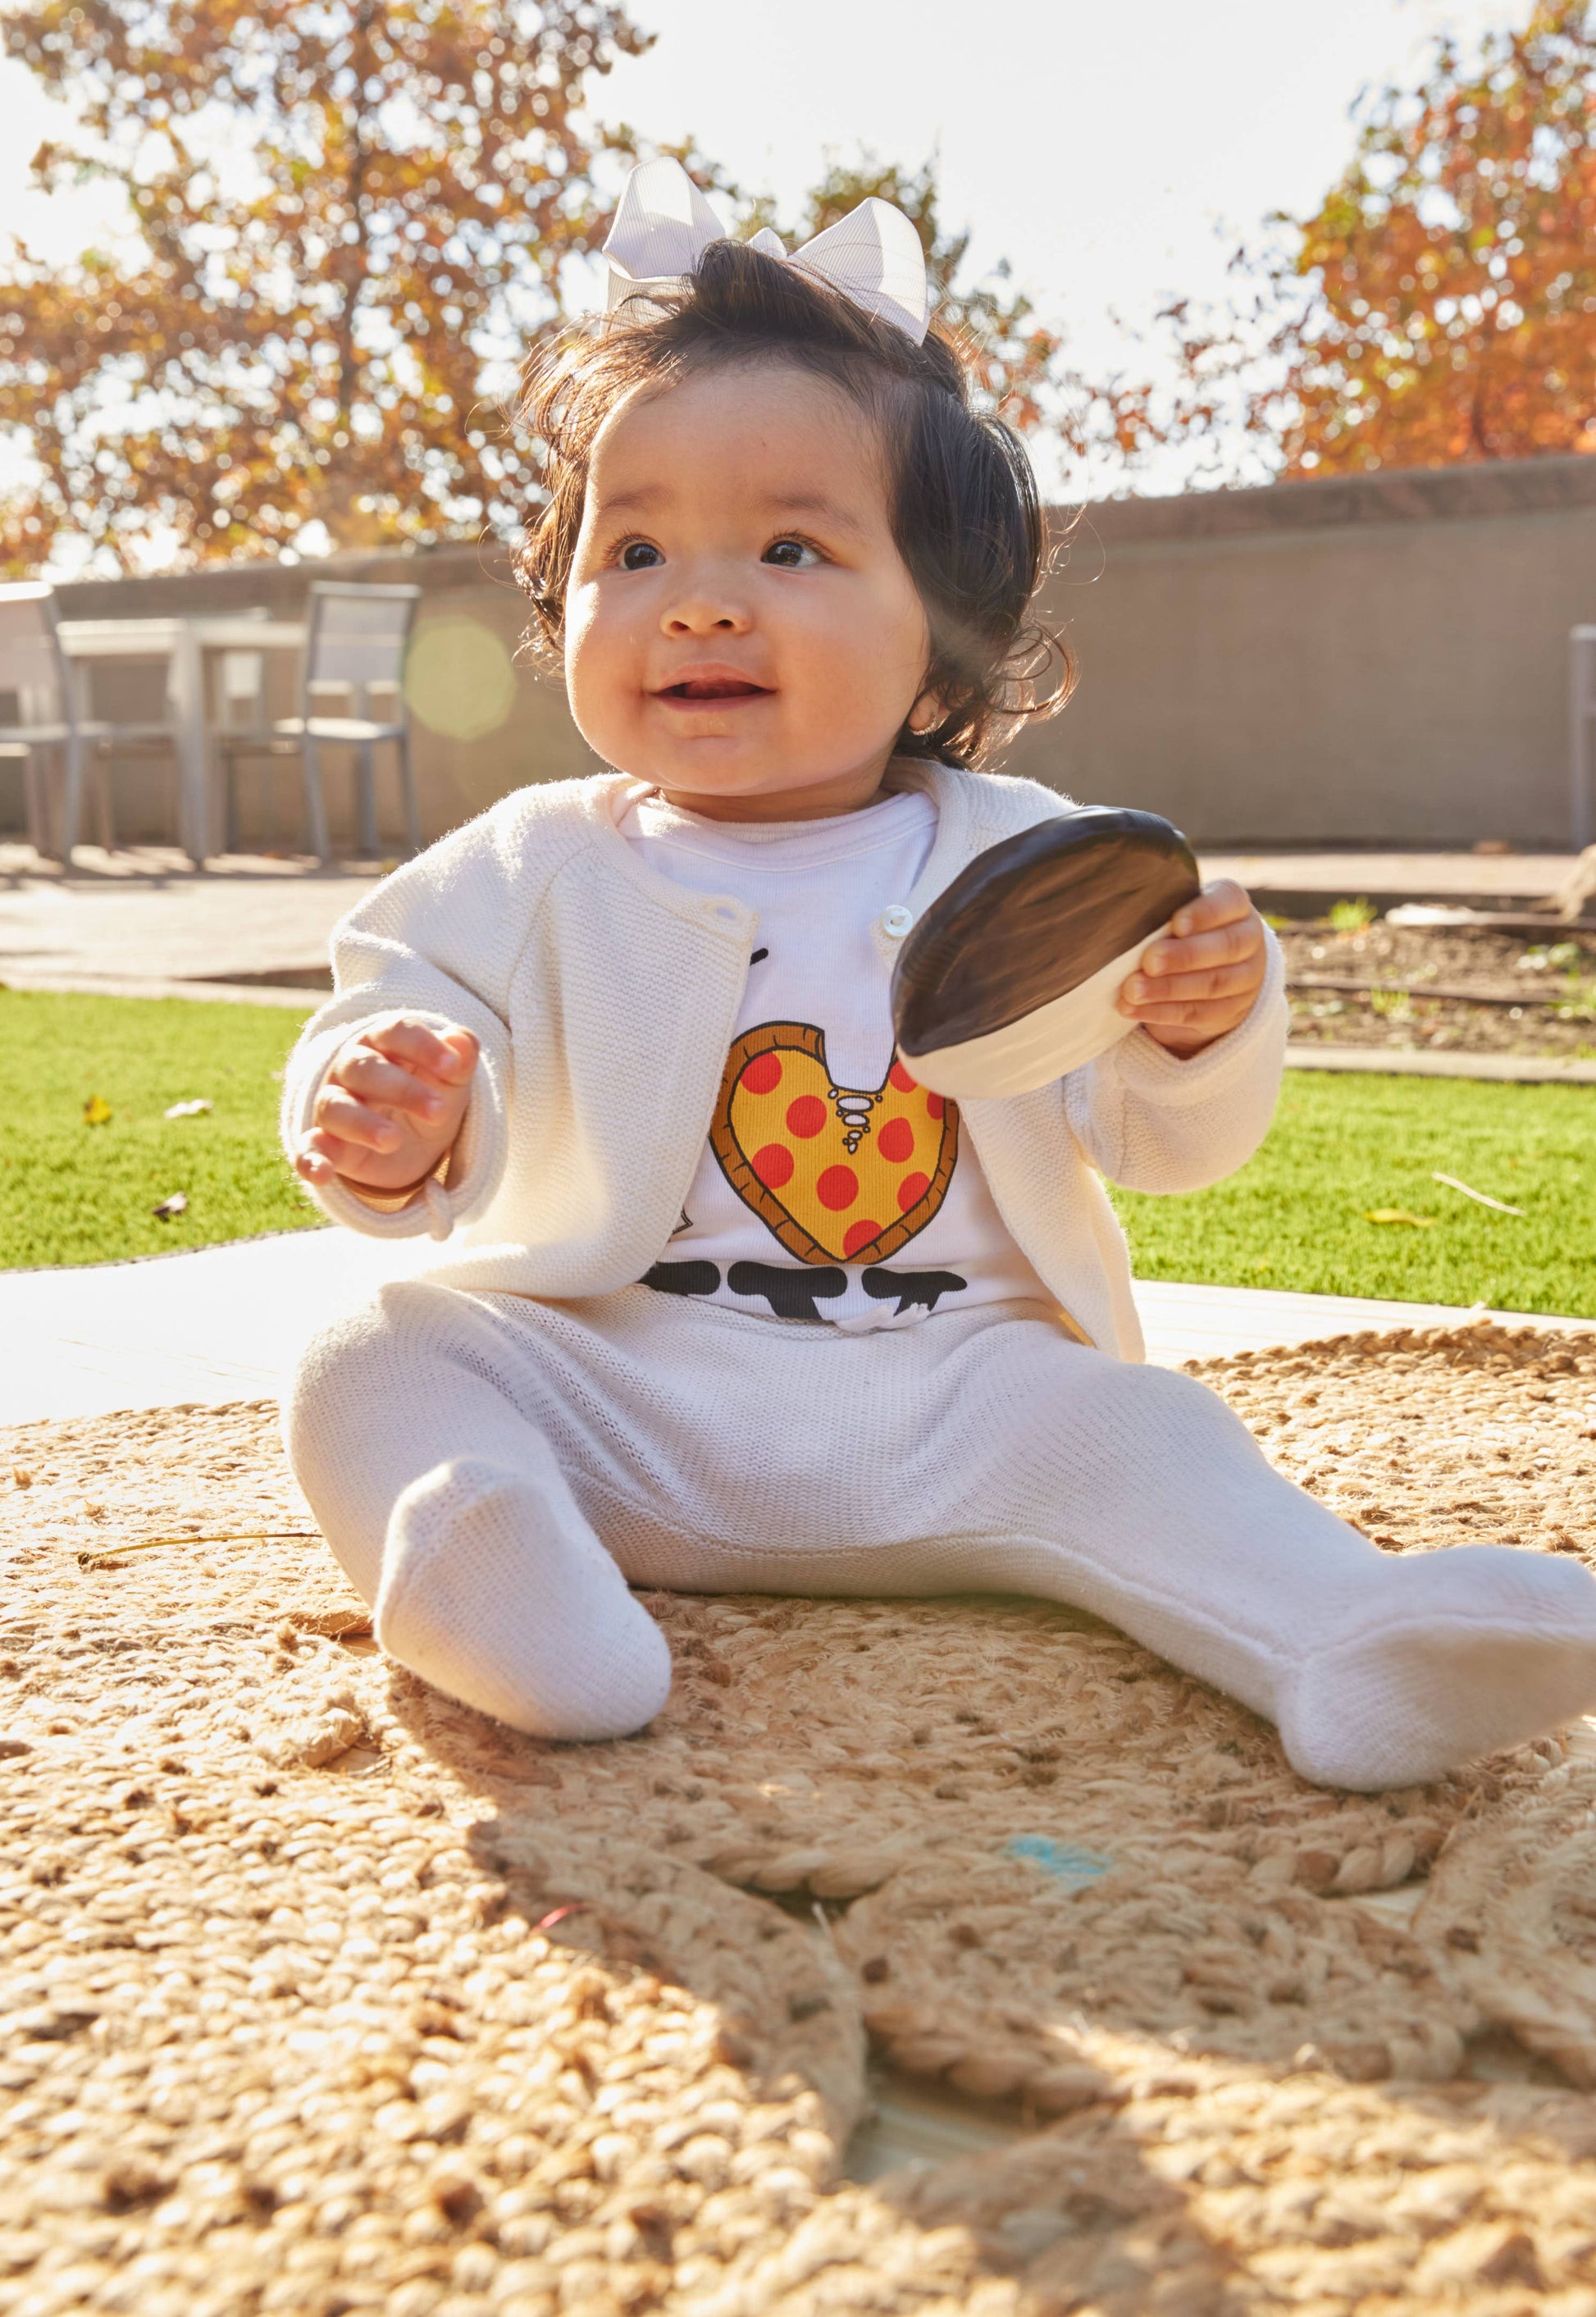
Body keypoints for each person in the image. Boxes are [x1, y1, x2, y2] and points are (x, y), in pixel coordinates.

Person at [282, 159, 1596, 1794]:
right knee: (381, 1356)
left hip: (963, 1398)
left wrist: (1194, 1029)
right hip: (623, 1383)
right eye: (632, 549)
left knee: (1153, 1433)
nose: (696, 596)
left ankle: (1343, 1636)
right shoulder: (530, 856)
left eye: (787, 545)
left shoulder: (1025, 853)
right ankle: (490, 1575)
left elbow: (1164, 1140)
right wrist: (382, 1105)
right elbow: (387, 997)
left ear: (946, 634)